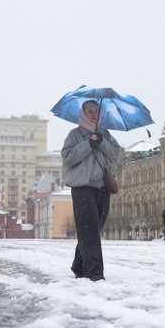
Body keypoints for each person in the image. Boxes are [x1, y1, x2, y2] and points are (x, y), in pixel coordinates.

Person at [61, 100, 123, 281]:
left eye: (96, 111)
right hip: (82, 188)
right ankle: (94, 272)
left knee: (94, 228)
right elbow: (68, 158)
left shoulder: (104, 133)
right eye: (90, 111)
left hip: (102, 187)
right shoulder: (75, 134)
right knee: (89, 229)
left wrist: (101, 142)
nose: (93, 114)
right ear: (83, 113)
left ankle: (79, 266)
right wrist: (89, 144)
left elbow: (116, 155)